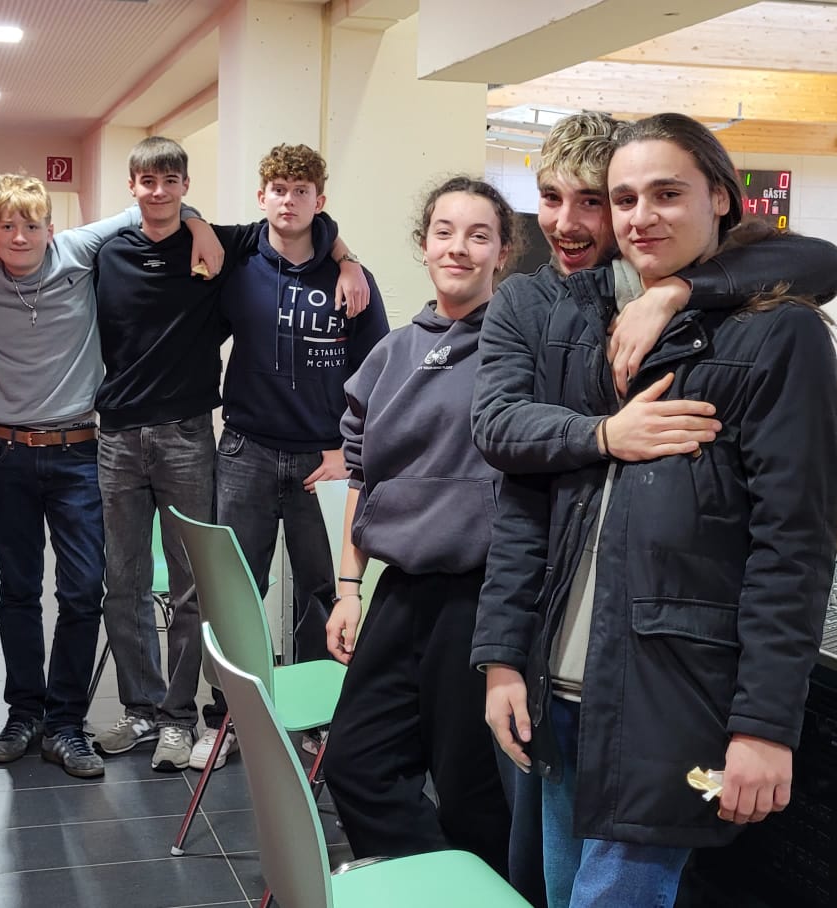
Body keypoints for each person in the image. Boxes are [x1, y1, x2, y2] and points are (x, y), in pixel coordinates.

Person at [474, 109, 837, 906]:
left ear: (721, 196)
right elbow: (527, 504)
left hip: (669, 697)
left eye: (667, 194)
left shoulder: (781, 335)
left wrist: (764, 725)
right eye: (625, 199)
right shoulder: (577, 317)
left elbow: (792, 548)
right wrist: (504, 655)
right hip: (560, 690)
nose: (640, 216)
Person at [0, 172, 223, 779]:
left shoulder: (79, 249)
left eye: (31, 225)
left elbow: (154, 202)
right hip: (4, 454)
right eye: (7, 226)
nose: (20, 236)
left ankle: (66, 723)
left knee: (82, 590)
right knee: (16, 591)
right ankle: (24, 714)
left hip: (79, 453)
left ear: (50, 228)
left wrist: (197, 224)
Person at [88, 137, 369, 772]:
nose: (288, 201)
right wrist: (195, 223)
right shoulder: (149, 255)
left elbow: (370, 363)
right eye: (147, 181)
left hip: (252, 447)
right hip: (189, 442)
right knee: (177, 586)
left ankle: (274, 718)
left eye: (171, 181)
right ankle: (186, 713)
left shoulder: (271, 258)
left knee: (279, 589)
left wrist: (349, 261)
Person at [320, 177, 520, 875]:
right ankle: (443, 881)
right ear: (424, 244)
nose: (458, 247)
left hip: (480, 597)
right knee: (354, 763)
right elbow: (362, 478)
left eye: (478, 235)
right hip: (400, 591)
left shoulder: (518, 346)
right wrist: (349, 588)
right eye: (444, 231)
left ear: (502, 252)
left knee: (469, 790)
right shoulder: (391, 353)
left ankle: (477, 885)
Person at [198, 143, 388, 771]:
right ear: (262, 197)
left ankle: (317, 720)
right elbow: (186, 228)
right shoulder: (239, 265)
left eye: (301, 190)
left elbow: (375, 374)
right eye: (278, 188)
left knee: (323, 593)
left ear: (319, 201)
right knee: (236, 592)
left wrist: (346, 453)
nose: (288, 200)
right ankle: (228, 719)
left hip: (322, 461)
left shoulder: (351, 280)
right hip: (247, 450)